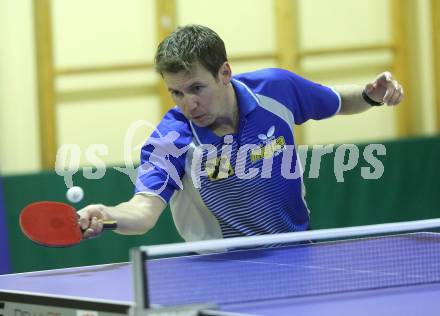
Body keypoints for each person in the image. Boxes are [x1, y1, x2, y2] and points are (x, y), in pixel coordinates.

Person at [77, 24, 403, 242]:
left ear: (225, 73)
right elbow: (144, 211)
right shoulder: (171, 140)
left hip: (298, 252)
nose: (188, 103)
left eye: (196, 88)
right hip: (224, 270)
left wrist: (369, 95)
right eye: (176, 93)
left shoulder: (276, 89)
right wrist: (109, 214)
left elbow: (335, 101)